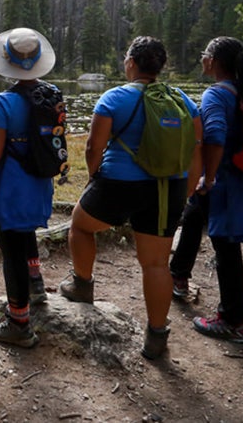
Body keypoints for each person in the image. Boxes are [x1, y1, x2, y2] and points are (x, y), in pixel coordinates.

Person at [62, 36, 202, 359]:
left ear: (130, 63)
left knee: (80, 225)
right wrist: (189, 187)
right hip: (170, 188)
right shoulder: (183, 100)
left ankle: (82, 285)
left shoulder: (114, 98)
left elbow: (93, 147)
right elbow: (197, 149)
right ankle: (156, 337)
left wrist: (95, 175)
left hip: (120, 184)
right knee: (156, 263)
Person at [0, 27, 59, 348]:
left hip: (9, 190)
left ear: (7, 62)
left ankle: (19, 323)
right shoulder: (51, 95)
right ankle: (36, 285)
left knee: (11, 252)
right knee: (26, 235)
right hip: (39, 185)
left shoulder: (4, 103)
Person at [189, 37, 243, 343]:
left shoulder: (215, 95)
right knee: (227, 249)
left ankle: (232, 320)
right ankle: (233, 316)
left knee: (226, 251)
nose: (202, 59)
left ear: (213, 61)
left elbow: (214, 136)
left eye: (204, 55)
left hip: (225, 182)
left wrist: (207, 178)